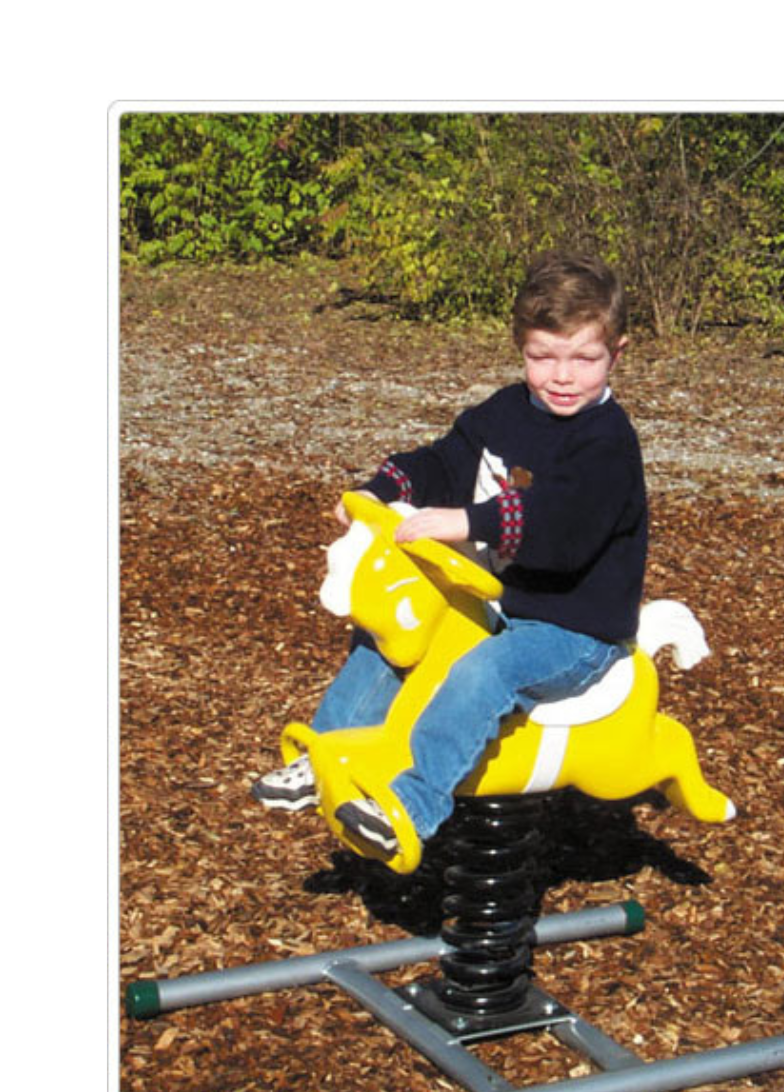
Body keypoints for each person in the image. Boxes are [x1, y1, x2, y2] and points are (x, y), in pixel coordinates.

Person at [251, 250, 649, 853]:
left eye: (583, 359)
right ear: (521, 349)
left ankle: (413, 804)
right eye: (543, 357)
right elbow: (443, 460)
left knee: (489, 669)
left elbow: (561, 527)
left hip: (573, 629)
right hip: (495, 603)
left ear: (615, 354)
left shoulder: (606, 443)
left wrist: (466, 520)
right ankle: (326, 751)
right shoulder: (507, 412)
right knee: (394, 636)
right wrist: (386, 487)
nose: (562, 376)